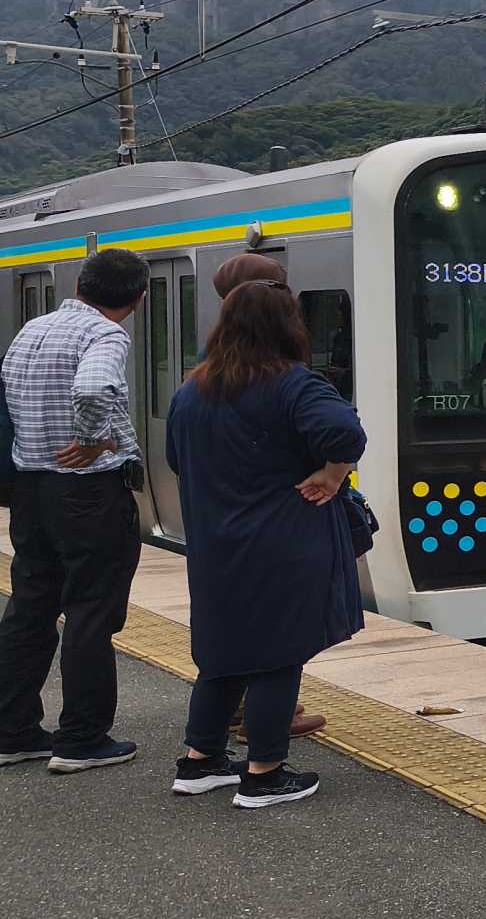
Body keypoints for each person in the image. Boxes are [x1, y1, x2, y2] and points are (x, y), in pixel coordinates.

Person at [168, 280, 366, 808]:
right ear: (288, 326)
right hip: (282, 539)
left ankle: (200, 760)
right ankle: (265, 773)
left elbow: (174, 459)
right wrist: (333, 474)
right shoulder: (293, 383)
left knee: (223, 653)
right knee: (279, 654)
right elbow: (346, 433)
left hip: (215, 544)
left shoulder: (191, 391)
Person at [0, 249, 149, 773]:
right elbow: (93, 386)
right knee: (91, 611)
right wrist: (92, 439)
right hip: (88, 494)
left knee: (30, 606)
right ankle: (82, 738)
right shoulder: (105, 334)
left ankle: (12, 731)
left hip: (30, 491)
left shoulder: (32, 330)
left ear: (80, 285)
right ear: (138, 298)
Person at [210, 252, 327, 742]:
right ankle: (264, 739)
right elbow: (345, 432)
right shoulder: (284, 378)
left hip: (220, 525)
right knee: (279, 633)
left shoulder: (205, 377)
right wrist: (333, 474)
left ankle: (212, 742)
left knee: (232, 625)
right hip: (272, 524)